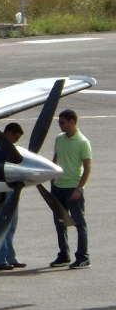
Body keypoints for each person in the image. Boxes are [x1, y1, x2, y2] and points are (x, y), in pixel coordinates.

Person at [50, 109, 92, 269]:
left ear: (72, 122)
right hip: (58, 187)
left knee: (79, 223)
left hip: (72, 188)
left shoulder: (82, 142)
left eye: (62, 122)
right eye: (59, 122)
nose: (60, 125)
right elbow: (55, 159)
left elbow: (87, 168)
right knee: (60, 222)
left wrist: (79, 188)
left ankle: (83, 257)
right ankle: (64, 254)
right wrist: (52, 179)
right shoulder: (59, 139)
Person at [0, 122, 27, 270]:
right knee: (3, 224)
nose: (16, 141)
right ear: (9, 133)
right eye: (15, 138)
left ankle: (10, 257)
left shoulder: (11, 148)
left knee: (11, 225)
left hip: (12, 189)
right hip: (3, 189)